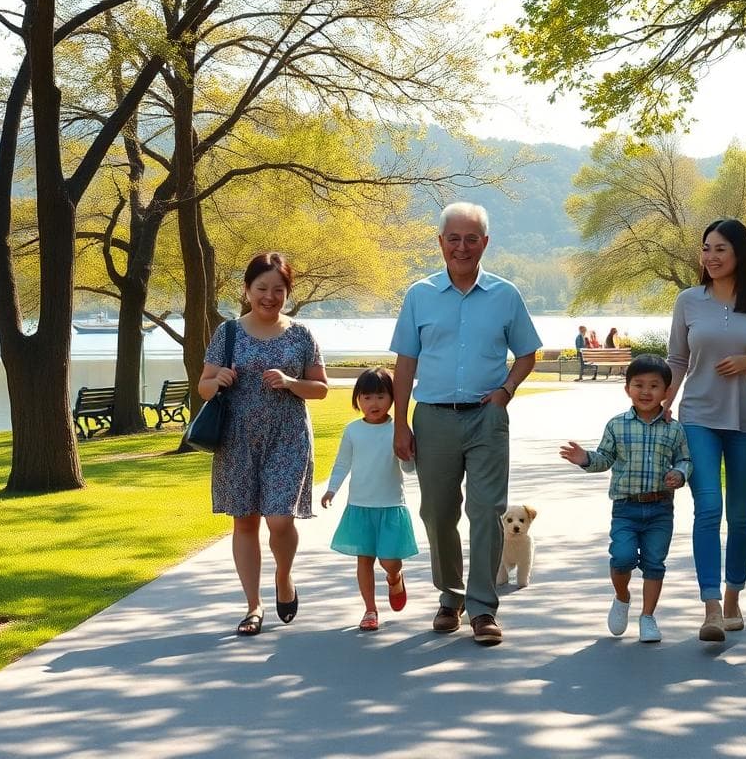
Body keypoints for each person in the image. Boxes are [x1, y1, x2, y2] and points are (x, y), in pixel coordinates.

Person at [391, 201, 542, 646]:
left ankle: (482, 608)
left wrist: (506, 391)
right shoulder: (419, 295)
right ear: (440, 242)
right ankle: (450, 596)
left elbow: (529, 352)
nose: (462, 247)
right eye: (453, 238)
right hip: (433, 418)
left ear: (485, 243)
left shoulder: (505, 295)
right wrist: (400, 423)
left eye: (471, 239)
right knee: (437, 513)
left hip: (486, 420)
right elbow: (404, 364)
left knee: (487, 511)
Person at [664, 218, 746, 643]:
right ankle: (711, 608)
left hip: (745, 421)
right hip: (698, 417)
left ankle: (734, 597)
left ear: (740, 254)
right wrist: (663, 403)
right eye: (706, 249)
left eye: (720, 249)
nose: (711, 257)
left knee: (740, 515)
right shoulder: (688, 300)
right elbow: (678, 360)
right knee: (707, 509)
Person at [198, 252, 328, 636]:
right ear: (247, 290)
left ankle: (284, 577)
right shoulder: (228, 333)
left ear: (287, 292)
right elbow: (203, 387)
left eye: (278, 290)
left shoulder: (301, 334)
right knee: (245, 522)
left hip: (287, 438)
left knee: (280, 518)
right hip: (237, 440)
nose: (269, 297)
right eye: (261, 288)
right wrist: (217, 378)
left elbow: (320, 388)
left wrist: (291, 382)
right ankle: (252, 606)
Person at [558, 354, 692, 643]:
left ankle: (648, 617)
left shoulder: (674, 428)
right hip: (626, 508)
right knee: (622, 558)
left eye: (654, 386)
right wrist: (585, 459)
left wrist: (680, 475)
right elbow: (604, 458)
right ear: (627, 388)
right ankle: (622, 597)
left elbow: (684, 459)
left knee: (655, 563)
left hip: (660, 508)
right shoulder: (616, 425)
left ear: (667, 392)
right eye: (639, 384)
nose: (646, 391)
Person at [321, 368, 419, 632]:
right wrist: (332, 489)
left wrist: (408, 454)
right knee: (363, 559)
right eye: (366, 397)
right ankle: (370, 610)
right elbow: (343, 463)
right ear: (357, 400)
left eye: (380, 396)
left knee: (390, 560)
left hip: (390, 506)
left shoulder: (397, 429)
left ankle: (395, 577)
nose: (373, 403)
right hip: (359, 507)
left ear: (392, 398)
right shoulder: (353, 430)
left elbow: (409, 470)